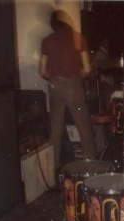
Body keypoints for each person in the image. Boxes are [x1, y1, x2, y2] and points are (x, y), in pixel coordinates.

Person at [39, 10, 96, 171]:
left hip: (55, 85)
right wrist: (77, 74)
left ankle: (53, 170)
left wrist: (54, 78)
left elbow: (42, 71)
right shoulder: (78, 38)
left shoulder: (47, 40)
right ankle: (89, 167)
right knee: (84, 127)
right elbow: (86, 69)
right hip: (73, 86)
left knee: (55, 130)